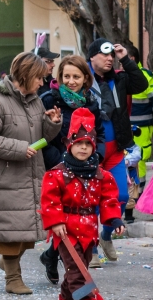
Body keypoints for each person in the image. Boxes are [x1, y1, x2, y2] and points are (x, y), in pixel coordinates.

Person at [0, 51, 62, 295]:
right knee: (10, 232)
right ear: (25, 75)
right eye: (39, 77)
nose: (42, 83)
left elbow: (41, 138)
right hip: (5, 177)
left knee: (28, 231)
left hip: (31, 174)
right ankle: (13, 278)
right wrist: (18, 148)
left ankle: (8, 263)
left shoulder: (35, 100)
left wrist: (52, 123)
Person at [40, 108, 126, 300]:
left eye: (88, 144)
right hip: (65, 231)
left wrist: (114, 220)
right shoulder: (57, 174)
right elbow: (50, 200)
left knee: (78, 269)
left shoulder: (101, 175)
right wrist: (56, 221)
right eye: (79, 144)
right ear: (70, 145)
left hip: (89, 231)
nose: (83, 148)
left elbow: (109, 200)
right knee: (78, 272)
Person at [39, 54, 106, 282]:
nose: (71, 81)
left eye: (76, 76)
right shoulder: (49, 99)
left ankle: (51, 256)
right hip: (59, 167)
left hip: (85, 167)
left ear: (85, 79)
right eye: (66, 76)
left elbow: (100, 134)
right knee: (63, 217)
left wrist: (97, 155)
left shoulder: (91, 103)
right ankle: (72, 278)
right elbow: (42, 137)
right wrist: (61, 161)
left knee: (77, 219)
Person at [86, 38, 148, 262]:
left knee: (121, 196)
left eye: (112, 55)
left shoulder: (120, 79)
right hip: (90, 151)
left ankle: (106, 235)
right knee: (91, 200)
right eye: (105, 55)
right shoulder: (82, 80)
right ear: (92, 56)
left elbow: (141, 85)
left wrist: (125, 59)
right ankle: (91, 249)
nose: (109, 59)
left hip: (116, 149)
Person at [128, 46, 153, 223]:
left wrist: (148, 120)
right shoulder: (115, 75)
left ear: (132, 58)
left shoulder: (147, 76)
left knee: (138, 163)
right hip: (124, 127)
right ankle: (129, 200)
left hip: (139, 128)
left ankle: (135, 200)